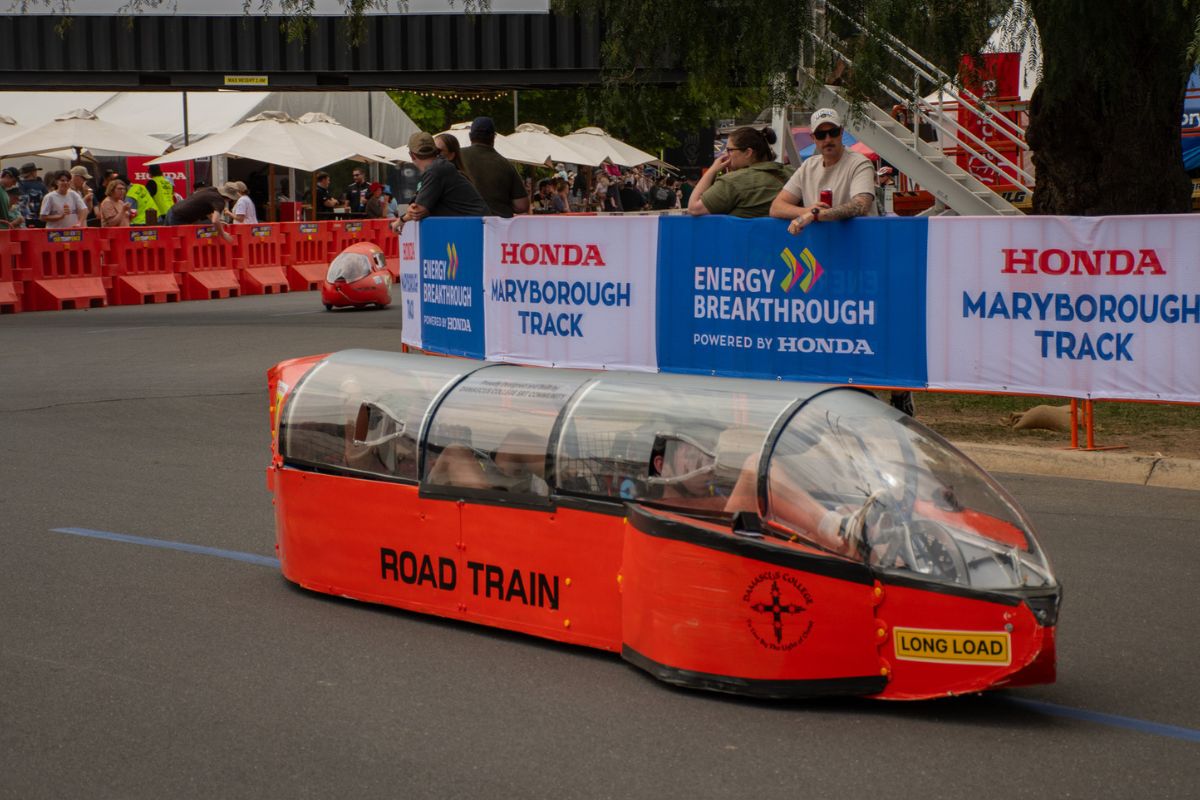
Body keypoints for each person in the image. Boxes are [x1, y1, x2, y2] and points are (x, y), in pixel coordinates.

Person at [770, 108, 876, 233]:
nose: (828, 139)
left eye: (833, 132)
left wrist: (816, 215)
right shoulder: (808, 166)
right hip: (821, 245)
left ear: (841, 132)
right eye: (821, 135)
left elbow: (861, 205)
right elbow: (776, 207)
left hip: (859, 244)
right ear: (813, 138)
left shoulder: (860, 163)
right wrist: (806, 212)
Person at [688, 127, 791, 218]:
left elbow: (694, 208)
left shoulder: (732, 181)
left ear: (748, 153)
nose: (725, 154)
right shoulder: (791, 172)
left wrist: (712, 170)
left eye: (729, 150)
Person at [397, 131, 489, 228]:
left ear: (412, 155)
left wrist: (400, 221)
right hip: (475, 226)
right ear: (435, 151)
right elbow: (417, 207)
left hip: (474, 228)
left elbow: (418, 211)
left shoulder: (435, 169)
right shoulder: (439, 167)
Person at [457, 116, 528, 218]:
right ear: (493, 137)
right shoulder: (506, 165)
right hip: (497, 226)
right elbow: (522, 206)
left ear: (470, 136)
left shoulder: (456, 158)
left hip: (463, 223)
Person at [165, 183, 236, 242]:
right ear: (229, 198)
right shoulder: (219, 201)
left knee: (167, 241)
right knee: (182, 245)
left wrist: (219, 223)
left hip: (172, 210)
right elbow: (215, 220)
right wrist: (223, 234)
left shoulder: (212, 190)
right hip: (180, 218)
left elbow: (208, 212)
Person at [17, 162, 47, 227]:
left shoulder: (20, 185)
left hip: (25, 219)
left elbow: (21, 204)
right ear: (32, 173)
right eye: (35, 171)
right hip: (41, 218)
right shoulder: (41, 185)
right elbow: (46, 200)